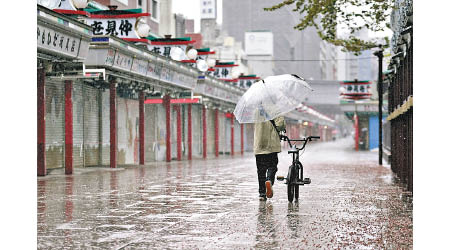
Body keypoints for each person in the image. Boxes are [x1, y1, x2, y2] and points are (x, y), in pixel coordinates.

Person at [254, 116, 286, 201]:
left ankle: (262, 194)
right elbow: (280, 125)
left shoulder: (256, 110)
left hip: (259, 144)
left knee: (261, 171)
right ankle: (269, 180)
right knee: (272, 166)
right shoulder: (275, 109)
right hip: (271, 144)